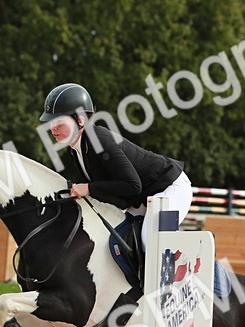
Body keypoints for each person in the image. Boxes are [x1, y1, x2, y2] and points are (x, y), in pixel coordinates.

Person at [39, 82, 191, 240]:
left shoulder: (99, 139)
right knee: (119, 239)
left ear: (80, 120)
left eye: (59, 122)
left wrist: (89, 188)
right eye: (51, 122)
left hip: (169, 186)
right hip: (143, 199)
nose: (52, 128)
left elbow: (133, 185)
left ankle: (206, 264)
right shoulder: (76, 149)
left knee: (149, 239)